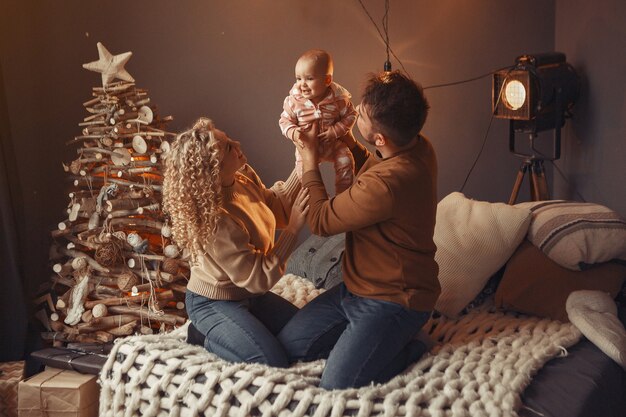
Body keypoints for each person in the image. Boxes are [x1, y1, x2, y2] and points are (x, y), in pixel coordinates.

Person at [278, 71, 440, 389]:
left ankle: (414, 345)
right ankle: (369, 340)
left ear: (380, 138)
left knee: (338, 382)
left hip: (393, 300)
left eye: (361, 117)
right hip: (355, 288)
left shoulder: (388, 184)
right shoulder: (419, 146)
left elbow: (322, 221)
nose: (354, 117)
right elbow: (377, 167)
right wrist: (350, 142)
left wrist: (310, 160)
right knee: (292, 348)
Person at [162, 117, 310, 367]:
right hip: (214, 301)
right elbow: (258, 277)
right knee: (271, 360)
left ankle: (239, 330)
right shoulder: (216, 220)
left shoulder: (241, 178)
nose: (237, 143)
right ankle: (205, 336)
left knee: (308, 336)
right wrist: (294, 229)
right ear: (214, 168)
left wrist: (305, 159)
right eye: (228, 146)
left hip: (249, 294)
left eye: (229, 139)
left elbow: (273, 206)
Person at [279, 49, 358, 194]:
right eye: (298, 78)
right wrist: (294, 133)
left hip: (332, 144)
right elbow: (284, 121)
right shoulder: (294, 101)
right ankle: (314, 197)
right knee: (304, 174)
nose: (302, 84)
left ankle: (342, 195)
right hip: (306, 147)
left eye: (309, 79)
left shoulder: (338, 99)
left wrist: (335, 131)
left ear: (327, 80)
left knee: (346, 161)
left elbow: (351, 115)